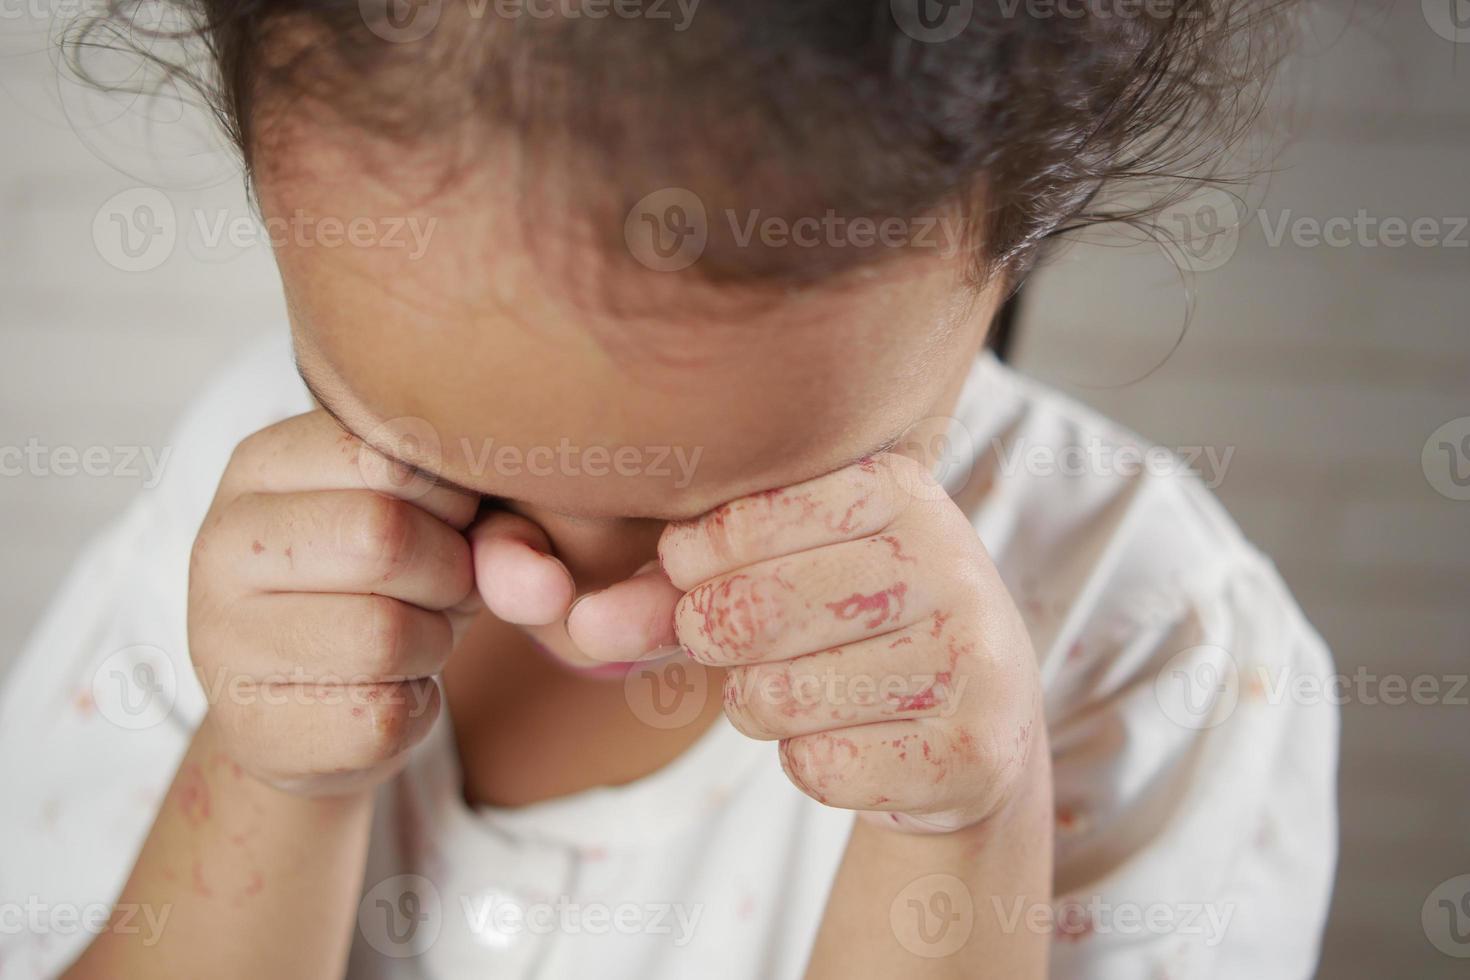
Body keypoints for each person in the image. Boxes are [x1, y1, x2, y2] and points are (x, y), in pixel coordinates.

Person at [1, 2, 1335, 977]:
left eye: (747, 489)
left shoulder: (1157, 647)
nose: (575, 591)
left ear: (1024, 228)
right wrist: (267, 773)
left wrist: (961, 836)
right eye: (420, 451)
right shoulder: (247, 500)